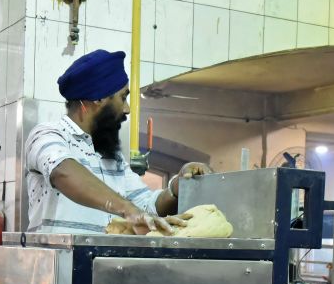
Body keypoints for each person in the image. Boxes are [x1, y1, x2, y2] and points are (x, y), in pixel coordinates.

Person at [24, 48, 208, 235]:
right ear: (98, 98)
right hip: (59, 261)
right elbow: (62, 172)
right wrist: (129, 210)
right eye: (123, 97)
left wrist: (177, 187)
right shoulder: (48, 135)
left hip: (101, 262)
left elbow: (146, 207)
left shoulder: (112, 158)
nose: (127, 109)